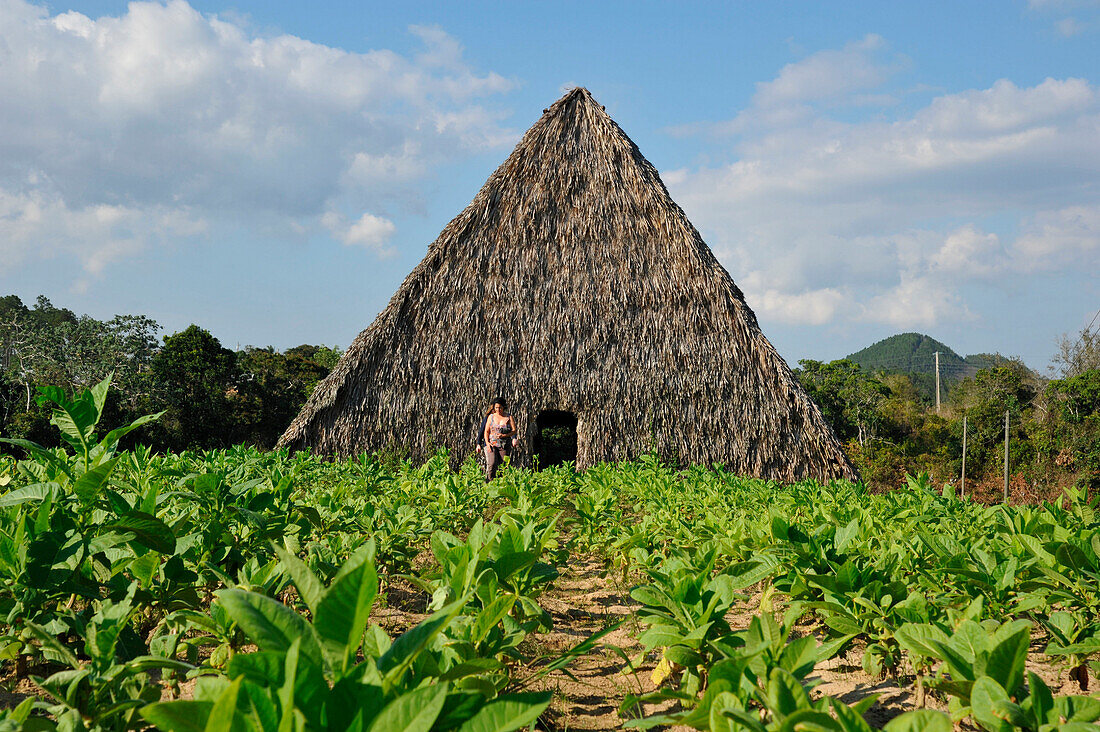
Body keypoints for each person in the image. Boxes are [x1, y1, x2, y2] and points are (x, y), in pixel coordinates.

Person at [483, 397, 517, 481]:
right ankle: (490, 482)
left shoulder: (509, 417)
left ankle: (501, 482)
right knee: (492, 463)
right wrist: (487, 443)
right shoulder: (491, 417)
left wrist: (504, 435)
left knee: (503, 465)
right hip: (492, 444)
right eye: (496, 408)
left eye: (500, 407)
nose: (498, 410)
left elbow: (514, 431)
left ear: (503, 407)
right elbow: (486, 431)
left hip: (504, 444)